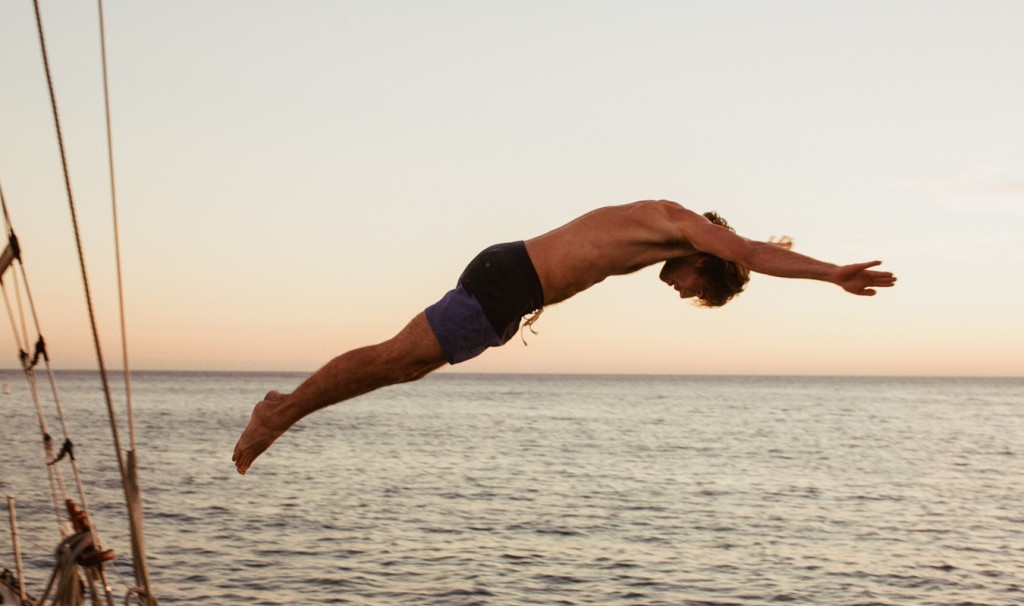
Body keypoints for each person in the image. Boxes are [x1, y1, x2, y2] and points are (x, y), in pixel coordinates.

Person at [232, 199, 896, 474]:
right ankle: (281, 412)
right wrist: (830, 273)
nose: (683, 292)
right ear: (707, 259)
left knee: (401, 364)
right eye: (699, 288)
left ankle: (284, 409)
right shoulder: (684, 224)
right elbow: (751, 248)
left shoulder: (664, 232)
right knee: (396, 360)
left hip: (509, 282)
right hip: (508, 280)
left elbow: (744, 249)